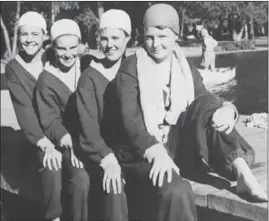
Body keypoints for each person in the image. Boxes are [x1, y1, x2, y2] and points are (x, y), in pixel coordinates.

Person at [115, 2, 267, 208]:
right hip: (148, 149)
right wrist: (155, 150)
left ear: (176, 36)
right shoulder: (131, 67)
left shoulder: (184, 66)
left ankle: (240, 170)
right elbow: (130, 119)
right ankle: (236, 167)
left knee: (208, 104)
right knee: (174, 190)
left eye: (162, 37)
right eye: (149, 37)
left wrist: (228, 110)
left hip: (181, 145)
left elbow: (204, 99)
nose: (155, 44)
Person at [6, 11, 62, 221]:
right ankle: (53, 217)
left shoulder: (54, 57)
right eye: (23, 34)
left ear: (45, 35)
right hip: (38, 136)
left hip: (62, 129)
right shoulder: (14, 68)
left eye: (34, 34)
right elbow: (25, 112)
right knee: (51, 165)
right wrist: (45, 143)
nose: (29, 39)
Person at [76, 9, 131, 221]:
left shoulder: (135, 69)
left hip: (133, 153)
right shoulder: (89, 78)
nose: (110, 45)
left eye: (116, 38)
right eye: (104, 38)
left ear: (127, 38)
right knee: (113, 189)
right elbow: (87, 128)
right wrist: (107, 159)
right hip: (102, 154)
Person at [34, 19, 90, 221]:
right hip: (66, 142)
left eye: (73, 47)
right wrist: (69, 142)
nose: (68, 54)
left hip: (90, 137)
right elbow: (50, 121)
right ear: (53, 48)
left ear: (81, 46)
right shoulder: (46, 80)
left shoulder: (87, 66)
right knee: (80, 178)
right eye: (62, 48)